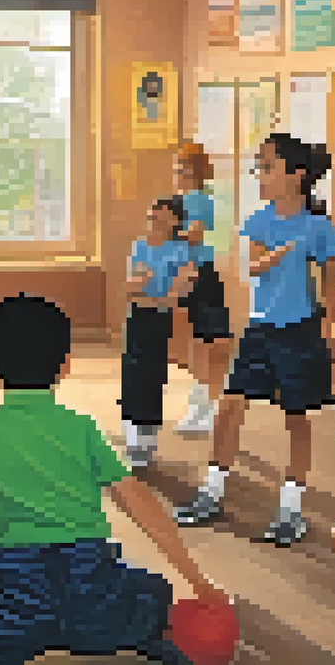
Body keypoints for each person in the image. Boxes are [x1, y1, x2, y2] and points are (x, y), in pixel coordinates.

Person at [0, 294, 228, 665]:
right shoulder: (82, 429)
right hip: (94, 594)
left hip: (14, 602)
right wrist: (198, 583)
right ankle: (152, 641)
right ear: (65, 366)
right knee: (154, 592)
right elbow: (140, 504)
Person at [173, 133, 335, 545]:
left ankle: (290, 510)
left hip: (300, 331)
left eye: (267, 167)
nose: (260, 175)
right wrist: (276, 255)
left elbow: (330, 287)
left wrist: (327, 332)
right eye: (258, 167)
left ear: (296, 174)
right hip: (260, 329)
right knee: (229, 408)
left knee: (296, 419)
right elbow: (254, 268)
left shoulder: (319, 227)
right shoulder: (260, 220)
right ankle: (211, 493)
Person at [124, 197, 198, 468]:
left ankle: (148, 438)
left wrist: (161, 294)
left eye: (162, 216)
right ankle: (133, 436)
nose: (155, 219)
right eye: (153, 214)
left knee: (153, 375)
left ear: (175, 221)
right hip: (137, 318)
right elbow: (133, 287)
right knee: (133, 375)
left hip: (161, 320)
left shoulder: (181, 251)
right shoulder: (140, 245)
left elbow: (181, 289)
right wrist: (156, 293)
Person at [171, 142, 231, 438]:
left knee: (212, 342)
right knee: (196, 341)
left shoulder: (198, 198)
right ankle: (200, 402)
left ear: (196, 171)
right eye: (176, 169)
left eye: (183, 168)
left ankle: (210, 404)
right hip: (188, 275)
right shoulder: (181, 199)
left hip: (201, 275)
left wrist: (167, 231)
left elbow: (193, 234)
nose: (178, 174)